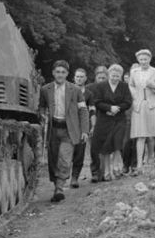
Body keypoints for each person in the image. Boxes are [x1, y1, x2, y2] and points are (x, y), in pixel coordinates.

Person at [39, 60, 89, 202]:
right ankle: (56, 186)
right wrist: (42, 115)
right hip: (53, 129)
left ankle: (59, 189)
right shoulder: (45, 89)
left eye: (63, 72)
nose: (60, 74)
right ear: (53, 73)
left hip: (69, 130)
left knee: (65, 160)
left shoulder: (75, 90)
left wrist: (84, 130)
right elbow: (42, 107)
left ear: (67, 74)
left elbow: (83, 111)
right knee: (54, 160)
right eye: (57, 72)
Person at [91, 64, 133, 180]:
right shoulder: (101, 86)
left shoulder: (124, 86)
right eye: (113, 76)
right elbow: (97, 101)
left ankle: (116, 168)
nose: (115, 78)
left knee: (117, 143)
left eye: (117, 76)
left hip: (119, 119)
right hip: (104, 120)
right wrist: (109, 108)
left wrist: (117, 108)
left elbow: (128, 102)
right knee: (105, 146)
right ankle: (107, 172)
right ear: (109, 74)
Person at [129, 49, 155, 172]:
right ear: (138, 60)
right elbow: (131, 85)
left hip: (153, 105)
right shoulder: (134, 72)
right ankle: (139, 164)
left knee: (151, 136)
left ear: (150, 59)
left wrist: (154, 86)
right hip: (139, 105)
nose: (143, 61)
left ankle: (150, 159)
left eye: (145, 59)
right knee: (140, 135)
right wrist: (135, 96)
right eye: (141, 59)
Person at [70, 68, 94, 188]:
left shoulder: (89, 94)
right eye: (77, 76)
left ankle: (74, 177)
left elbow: (92, 110)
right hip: (68, 125)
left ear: (85, 79)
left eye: (81, 77)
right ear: (74, 78)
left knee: (79, 152)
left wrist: (92, 125)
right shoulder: (68, 89)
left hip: (83, 126)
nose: (79, 79)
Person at [86, 66, 108, 181]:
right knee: (94, 148)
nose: (101, 79)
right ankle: (95, 172)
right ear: (95, 77)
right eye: (99, 77)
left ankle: (104, 172)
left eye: (104, 77)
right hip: (92, 120)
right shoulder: (89, 88)